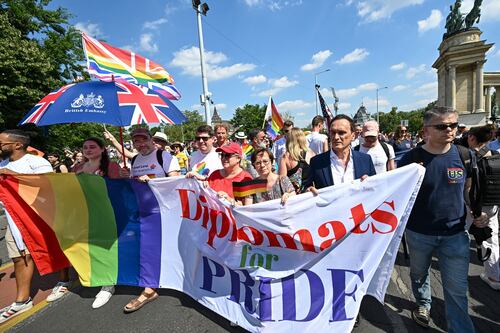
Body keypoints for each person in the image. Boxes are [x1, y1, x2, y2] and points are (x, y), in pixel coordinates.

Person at [398, 106, 475, 331]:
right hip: (419, 233)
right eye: (442, 126)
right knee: (419, 274)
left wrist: (476, 212)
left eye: (454, 125)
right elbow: (397, 192)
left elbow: (467, 190)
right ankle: (423, 303)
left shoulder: (465, 155)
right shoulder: (411, 159)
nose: (449, 130)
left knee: (457, 289)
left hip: (456, 234)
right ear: (426, 131)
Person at [121, 128, 180, 313]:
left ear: (151, 140)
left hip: (164, 213)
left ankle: (158, 285)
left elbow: (177, 183)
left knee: (165, 249)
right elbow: (134, 186)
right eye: (136, 141)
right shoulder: (136, 160)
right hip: (143, 212)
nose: (141, 144)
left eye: (143, 140)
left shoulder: (165, 157)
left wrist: (153, 181)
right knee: (147, 249)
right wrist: (128, 178)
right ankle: (150, 287)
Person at [0, 130, 54, 323]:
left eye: (2, 143)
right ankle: (22, 301)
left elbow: (50, 185)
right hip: (13, 218)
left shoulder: (36, 162)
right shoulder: (2, 164)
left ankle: (65, 279)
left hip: (38, 217)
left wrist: (14, 175)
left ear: (17, 145)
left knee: (53, 251)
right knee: (19, 257)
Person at [71, 137, 123, 308]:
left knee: (107, 246)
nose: (88, 150)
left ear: (102, 149)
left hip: (109, 213)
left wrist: (123, 177)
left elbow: (120, 190)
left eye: (93, 147)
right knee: (92, 246)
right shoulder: (77, 168)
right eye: (85, 147)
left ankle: (108, 285)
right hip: (86, 213)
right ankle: (103, 277)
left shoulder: (112, 167)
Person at [303, 114, 376, 191]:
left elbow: (377, 189)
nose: (336, 137)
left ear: (353, 136)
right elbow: (306, 188)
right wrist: (308, 190)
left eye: (341, 133)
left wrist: (371, 184)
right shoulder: (316, 162)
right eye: (333, 132)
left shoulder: (365, 160)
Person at [467, 125, 499, 290]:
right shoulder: (495, 155)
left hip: (473, 205)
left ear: (472, 138)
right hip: (493, 204)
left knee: (462, 236)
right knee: (492, 238)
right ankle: (494, 275)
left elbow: (467, 186)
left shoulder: (470, 157)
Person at [187, 142, 252, 205]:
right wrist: (203, 186)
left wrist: (229, 200)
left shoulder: (246, 179)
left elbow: (247, 209)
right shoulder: (215, 174)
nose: (223, 158)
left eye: (227, 155)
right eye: (222, 155)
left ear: (238, 158)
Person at [279, 128, 315, 194]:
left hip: (292, 197)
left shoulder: (285, 157)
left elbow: (282, 179)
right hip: (309, 194)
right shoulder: (311, 153)